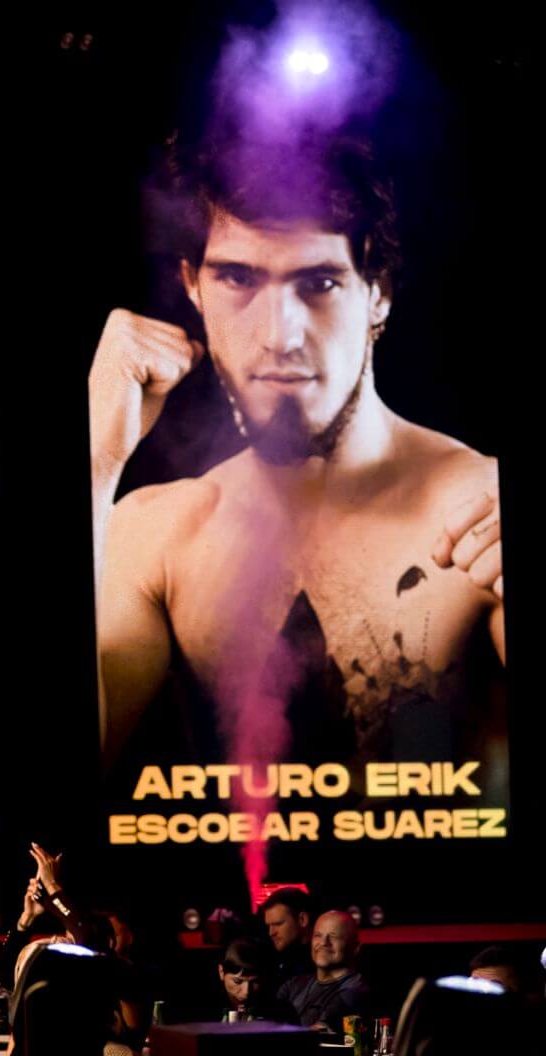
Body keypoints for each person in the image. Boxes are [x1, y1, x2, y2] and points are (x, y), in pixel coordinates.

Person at [92, 135, 503, 768]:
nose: (280, 336)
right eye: (237, 278)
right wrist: (95, 461)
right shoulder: (155, 533)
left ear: (379, 292)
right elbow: (37, 780)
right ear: (193, 286)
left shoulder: (485, 509)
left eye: (319, 282)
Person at [276, 909, 373, 1029]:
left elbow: (316, 1034)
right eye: (318, 935)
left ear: (355, 948)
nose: (323, 942)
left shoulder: (354, 991)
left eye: (334, 936)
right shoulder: (293, 985)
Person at [213, 937, 292, 1022]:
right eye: (237, 981)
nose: (246, 992)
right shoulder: (207, 1008)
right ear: (221, 972)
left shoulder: (280, 1010)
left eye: (255, 982)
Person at [259, 887, 314, 989]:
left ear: (302, 919)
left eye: (278, 924)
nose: (271, 933)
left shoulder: (320, 965)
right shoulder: (276, 961)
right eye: (269, 926)